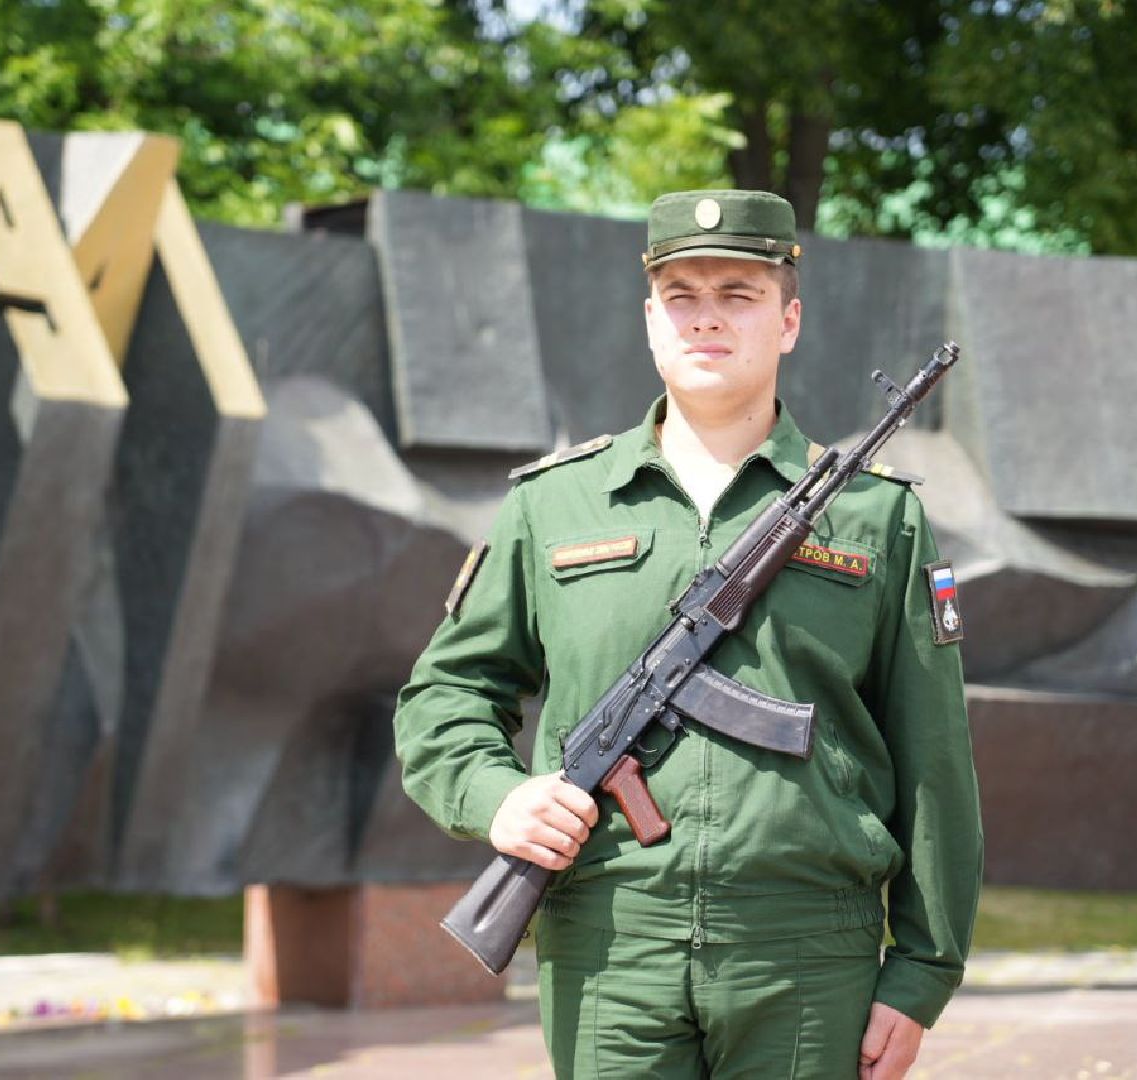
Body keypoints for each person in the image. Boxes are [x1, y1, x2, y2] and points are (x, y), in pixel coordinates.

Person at [393, 189, 982, 1079]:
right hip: (609, 945)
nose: (706, 320)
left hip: (805, 952)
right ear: (649, 320)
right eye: (683, 297)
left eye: (737, 296)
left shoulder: (875, 516)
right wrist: (497, 798)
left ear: (787, 321)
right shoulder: (553, 503)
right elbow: (445, 694)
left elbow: (932, 755)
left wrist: (922, 970)